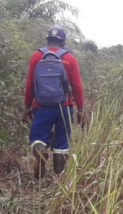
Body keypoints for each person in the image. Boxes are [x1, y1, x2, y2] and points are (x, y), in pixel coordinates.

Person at [23, 25, 88, 179]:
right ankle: (59, 177)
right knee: (62, 144)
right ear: (64, 42)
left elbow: (30, 84)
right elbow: (77, 86)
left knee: (37, 138)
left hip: (41, 106)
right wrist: (80, 109)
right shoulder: (70, 58)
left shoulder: (36, 56)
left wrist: (27, 106)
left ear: (48, 41)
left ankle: (41, 152)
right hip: (63, 107)